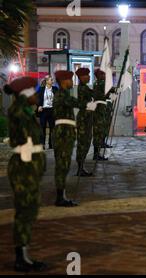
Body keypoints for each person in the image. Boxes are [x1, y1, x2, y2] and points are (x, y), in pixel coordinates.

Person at [5, 77, 47, 272]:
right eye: (33, 92)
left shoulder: (26, 111)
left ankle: (24, 254)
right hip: (23, 166)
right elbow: (17, 116)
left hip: (29, 166)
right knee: (25, 210)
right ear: (25, 95)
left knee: (29, 209)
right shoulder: (19, 110)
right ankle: (21, 257)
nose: (37, 96)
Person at [53, 70, 79, 207]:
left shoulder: (64, 94)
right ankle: (60, 198)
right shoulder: (61, 95)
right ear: (64, 81)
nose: (72, 82)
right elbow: (76, 102)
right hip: (62, 134)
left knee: (64, 165)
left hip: (66, 133)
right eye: (70, 79)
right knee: (62, 166)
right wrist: (88, 104)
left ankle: (61, 195)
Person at [75, 68, 96, 176]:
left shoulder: (85, 87)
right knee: (83, 143)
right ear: (81, 77)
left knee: (86, 142)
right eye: (86, 75)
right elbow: (92, 97)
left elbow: (94, 94)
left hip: (86, 117)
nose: (88, 77)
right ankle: (80, 168)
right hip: (84, 118)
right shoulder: (83, 88)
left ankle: (81, 167)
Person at [92, 69, 113, 161]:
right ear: (99, 76)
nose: (105, 76)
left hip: (100, 108)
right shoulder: (101, 83)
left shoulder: (97, 83)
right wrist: (116, 89)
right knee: (99, 131)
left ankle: (97, 151)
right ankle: (96, 153)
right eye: (103, 74)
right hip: (100, 109)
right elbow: (109, 91)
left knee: (100, 130)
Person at [37, 75, 57, 149]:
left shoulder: (55, 89)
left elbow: (58, 98)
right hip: (43, 110)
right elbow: (37, 98)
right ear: (47, 81)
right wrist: (39, 105)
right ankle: (42, 144)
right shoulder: (41, 89)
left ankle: (51, 144)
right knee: (42, 128)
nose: (52, 81)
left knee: (52, 128)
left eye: (52, 80)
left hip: (52, 110)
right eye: (51, 80)